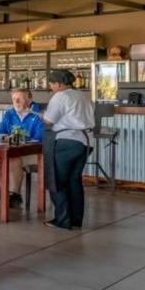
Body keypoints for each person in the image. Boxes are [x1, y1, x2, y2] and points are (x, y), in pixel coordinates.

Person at [42, 69, 94, 230]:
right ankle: (76, 220)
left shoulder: (60, 96)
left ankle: (63, 219)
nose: (51, 87)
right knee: (74, 181)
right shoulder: (83, 95)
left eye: (52, 84)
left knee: (57, 181)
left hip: (67, 141)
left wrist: (42, 115)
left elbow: (49, 121)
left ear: (58, 84)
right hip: (86, 141)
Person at [0, 88, 43, 207]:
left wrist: (18, 139)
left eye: (20, 99)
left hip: (33, 152)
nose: (16, 102)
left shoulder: (38, 114)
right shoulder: (9, 113)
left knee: (13, 160)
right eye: (14, 99)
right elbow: (0, 133)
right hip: (10, 150)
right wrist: (6, 137)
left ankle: (15, 195)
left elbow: (39, 138)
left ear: (29, 100)